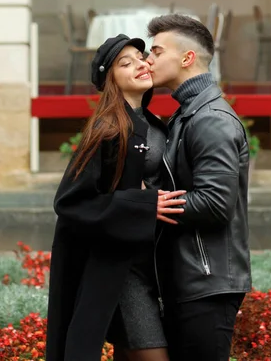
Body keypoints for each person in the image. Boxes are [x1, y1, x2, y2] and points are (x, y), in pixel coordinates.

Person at [45, 34, 186, 361]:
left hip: (149, 264)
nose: (140, 64)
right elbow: (69, 202)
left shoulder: (151, 123)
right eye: (126, 63)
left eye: (140, 56)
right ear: (111, 79)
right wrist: (143, 203)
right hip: (121, 272)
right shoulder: (108, 128)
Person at [145, 14, 252, 361]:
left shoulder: (210, 119)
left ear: (187, 58)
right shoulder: (187, 113)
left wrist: (147, 206)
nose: (149, 60)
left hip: (207, 284)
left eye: (157, 52)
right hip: (192, 279)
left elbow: (216, 203)